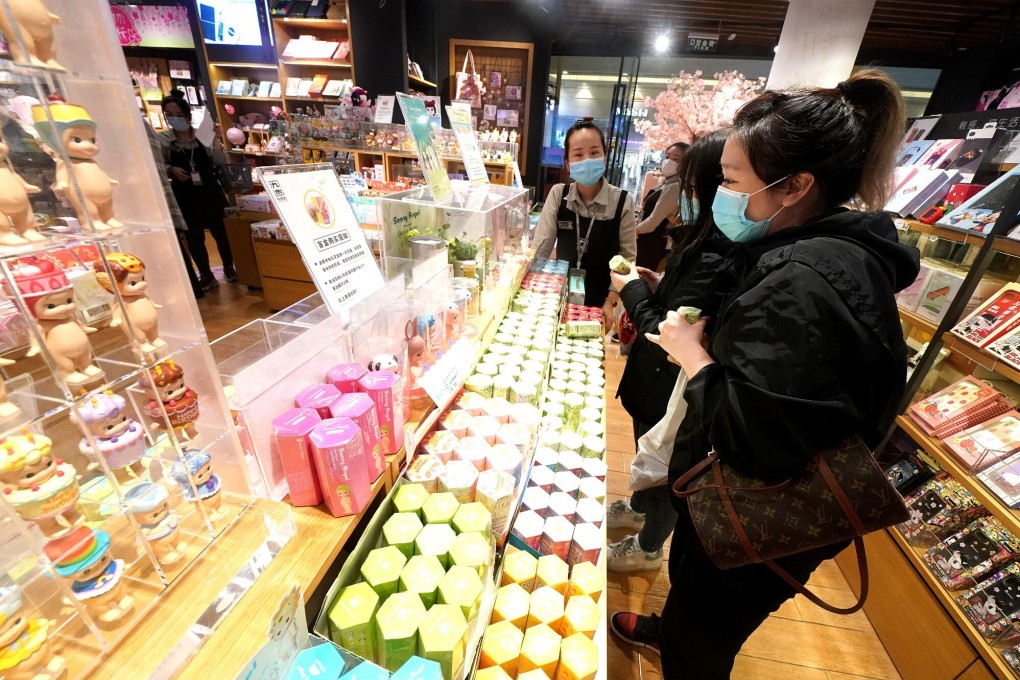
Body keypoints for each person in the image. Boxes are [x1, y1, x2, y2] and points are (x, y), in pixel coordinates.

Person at [610, 69, 920, 679]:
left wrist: (693, 356)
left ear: (795, 185)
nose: (721, 195)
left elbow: (754, 437)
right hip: (754, 498)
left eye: (730, 181)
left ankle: (684, 645)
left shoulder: (804, 282)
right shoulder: (831, 255)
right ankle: (671, 627)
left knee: (706, 634)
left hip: (758, 509)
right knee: (696, 606)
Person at [606, 130, 735, 574]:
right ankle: (638, 509)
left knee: (662, 469)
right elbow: (683, 310)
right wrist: (659, 286)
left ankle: (647, 548)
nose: (687, 195)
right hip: (654, 380)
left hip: (671, 383)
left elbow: (667, 331)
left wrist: (632, 290)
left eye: (695, 186)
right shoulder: (702, 237)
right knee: (647, 450)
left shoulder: (721, 252)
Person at [534, 117, 636, 323]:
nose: (587, 159)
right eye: (578, 154)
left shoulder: (622, 201)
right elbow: (541, 247)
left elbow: (626, 259)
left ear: (605, 158)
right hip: (557, 297)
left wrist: (611, 302)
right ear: (568, 164)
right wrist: (533, 289)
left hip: (601, 301)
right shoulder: (558, 194)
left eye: (595, 152)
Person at [159, 93, 236, 290]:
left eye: (179, 114)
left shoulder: (202, 136)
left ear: (187, 115)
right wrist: (171, 169)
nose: (174, 118)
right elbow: (158, 164)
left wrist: (216, 138)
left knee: (222, 232)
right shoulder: (165, 141)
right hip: (184, 193)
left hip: (210, 190)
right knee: (193, 236)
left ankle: (229, 267)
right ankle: (206, 274)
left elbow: (219, 160)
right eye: (169, 114)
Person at [634, 142, 687, 270]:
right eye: (667, 156)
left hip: (652, 244)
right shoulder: (666, 182)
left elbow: (653, 221)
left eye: (675, 159)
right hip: (645, 240)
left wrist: (632, 232)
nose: (669, 161)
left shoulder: (675, 186)